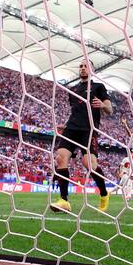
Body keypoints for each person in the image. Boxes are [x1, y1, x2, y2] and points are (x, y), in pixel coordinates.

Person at [49, 61, 113, 213]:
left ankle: (104, 193)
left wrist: (103, 106)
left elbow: (109, 109)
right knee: (60, 158)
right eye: (81, 66)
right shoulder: (73, 90)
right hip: (71, 128)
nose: (83, 68)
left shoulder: (98, 87)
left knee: (88, 163)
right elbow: (76, 113)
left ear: (92, 69)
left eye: (86, 66)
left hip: (88, 130)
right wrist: (65, 125)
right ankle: (64, 201)